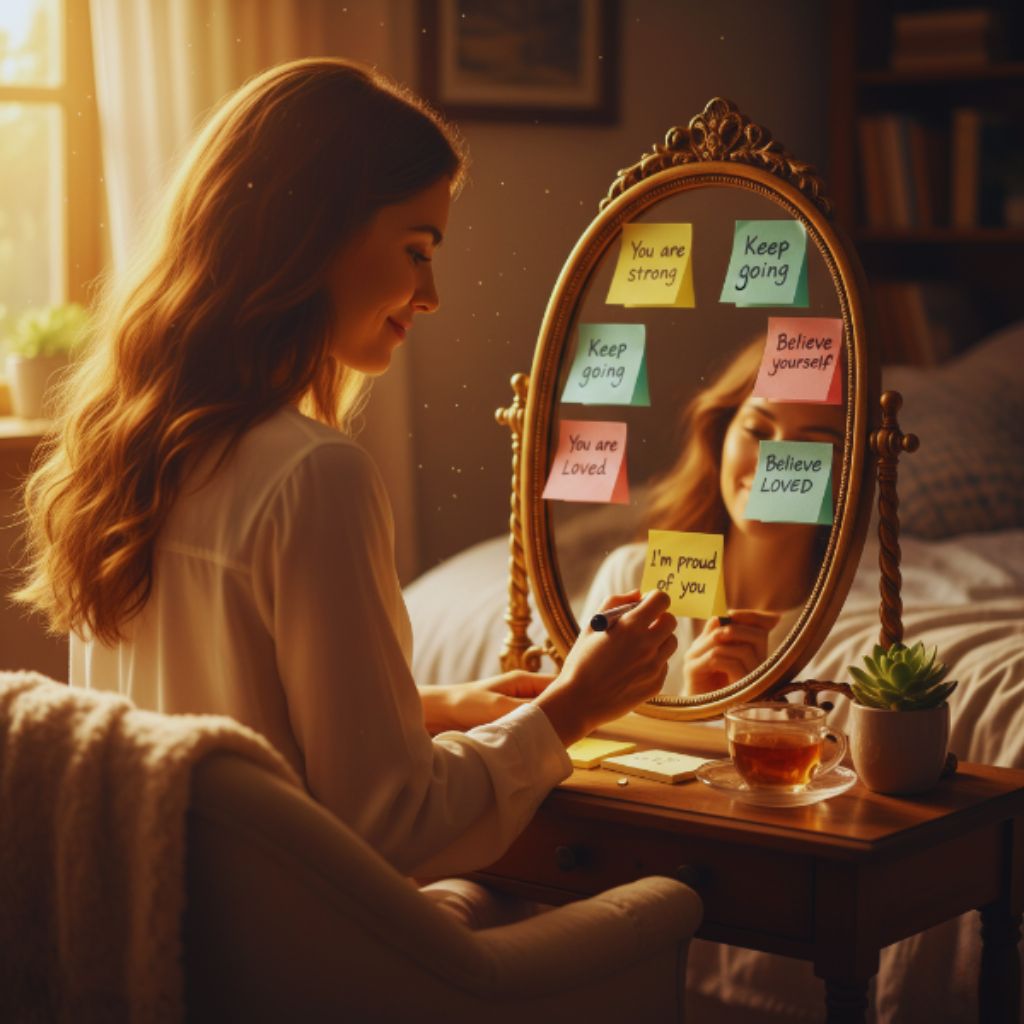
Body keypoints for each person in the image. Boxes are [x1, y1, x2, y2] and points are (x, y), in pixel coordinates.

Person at [15, 58, 677, 880]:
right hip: (290, 957)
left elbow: (220, 728)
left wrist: (425, 709)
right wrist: (577, 705)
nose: (429, 295)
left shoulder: (126, 449)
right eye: (415, 249)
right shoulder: (312, 477)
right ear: (310, 237)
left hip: (170, 938)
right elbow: (395, 826)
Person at [583, 337, 844, 697]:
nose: (772, 465)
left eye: (813, 446)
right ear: (721, 433)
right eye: (757, 431)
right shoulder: (632, 578)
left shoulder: (845, 632)